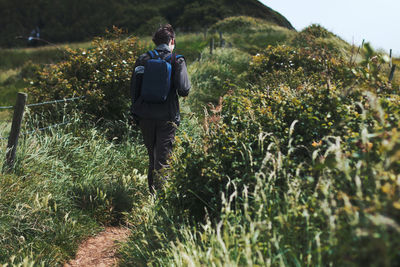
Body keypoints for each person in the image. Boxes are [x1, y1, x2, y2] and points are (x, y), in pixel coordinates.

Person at [130, 24, 191, 194]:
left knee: (153, 158)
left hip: (145, 116)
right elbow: (184, 90)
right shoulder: (177, 60)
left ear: (155, 42)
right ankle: (160, 201)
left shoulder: (143, 59)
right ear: (172, 41)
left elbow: (135, 89)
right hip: (167, 117)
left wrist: (135, 114)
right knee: (163, 160)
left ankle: (152, 195)